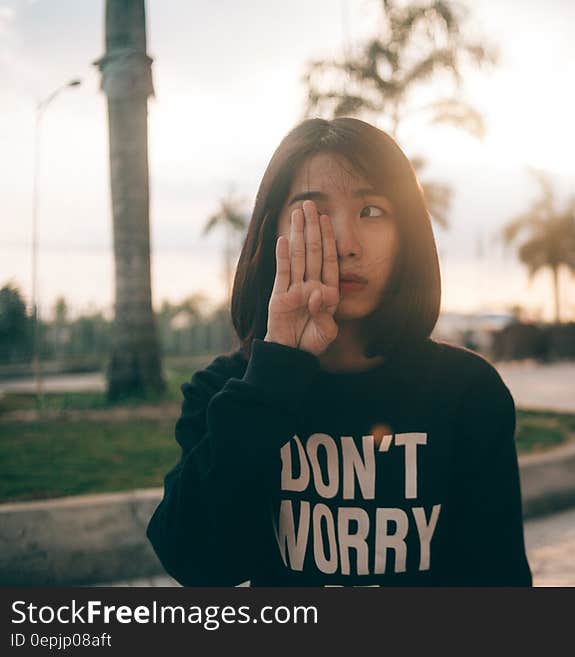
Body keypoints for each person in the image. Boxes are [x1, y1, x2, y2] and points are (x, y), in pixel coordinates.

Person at [146, 117, 532, 587]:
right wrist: (276, 373)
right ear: (273, 237)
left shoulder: (465, 393)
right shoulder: (225, 392)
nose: (346, 245)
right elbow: (199, 564)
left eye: (371, 211)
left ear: (407, 233)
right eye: (314, 213)